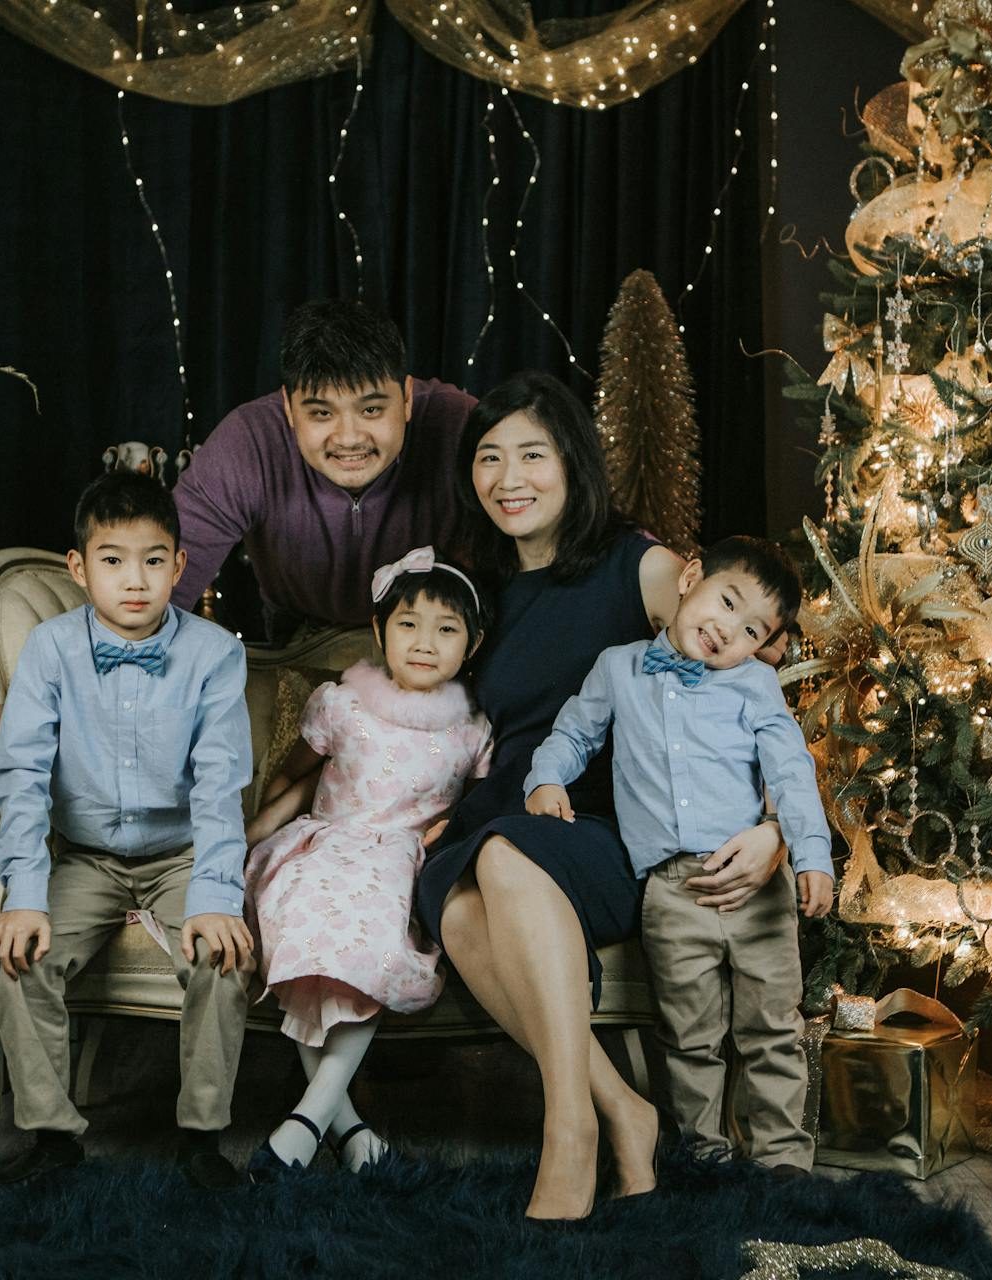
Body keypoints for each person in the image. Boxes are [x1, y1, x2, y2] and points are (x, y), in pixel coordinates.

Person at [412, 370, 793, 1221]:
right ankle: (623, 1107)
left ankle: (570, 1130)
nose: (509, 478)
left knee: (506, 862)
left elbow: (762, 697)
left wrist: (776, 827)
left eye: (532, 455)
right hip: (507, 813)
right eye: (489, 458)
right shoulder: (482, 587)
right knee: (460, 890)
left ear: (574, 463)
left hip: (623, 830)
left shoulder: (645, 568)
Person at [0, 300, 475, 768]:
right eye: (321, 413)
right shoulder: (248, 443)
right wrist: (45, 695)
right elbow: (158, 582)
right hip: (304, 646)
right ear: (289, 408)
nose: (349, 438)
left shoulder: (460, 426)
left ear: (406, 398)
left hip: (450, 656)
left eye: (371, 409)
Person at [0, 470, 256, 1188]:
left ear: (178, 565)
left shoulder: (215, 654)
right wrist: (26, 893)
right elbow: (22, 777)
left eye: (153, 559)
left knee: (219, 955)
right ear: (79, 568)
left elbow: (223, 788)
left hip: (182, 853)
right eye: (112, 560)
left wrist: (217, 897)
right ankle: (53, 1138)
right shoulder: (50, 650)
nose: (135, 580)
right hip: (87, 858)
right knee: (22, 952)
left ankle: (202, 1138)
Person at [523, 535, 833, 1170]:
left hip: (757, 886)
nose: (728, 631)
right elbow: (575, 732)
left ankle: (783, 1162)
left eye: (752, 629)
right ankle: (704, 1155)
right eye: (726, 601)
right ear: (690, 577)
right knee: (689, 1035)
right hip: (672, 890)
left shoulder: (755, 687)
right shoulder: (619, 668)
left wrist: (812, 855)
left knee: (774, 1029)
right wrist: (545, 779)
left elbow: (792, 772)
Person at [240, 547, 492, 1179]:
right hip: (325, 844)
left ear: (474, 642)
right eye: (408, 623)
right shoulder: (341, 702)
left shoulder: (472, 730)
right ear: (380, 631)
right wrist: (252, 838)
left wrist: (452, 830)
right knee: (300, 924)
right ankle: (343, 1124)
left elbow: (480, 808)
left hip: (400, 859)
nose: (425, 642)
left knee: (368, 933)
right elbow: (296, 776)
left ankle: (311, 1117)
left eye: (446, 628)